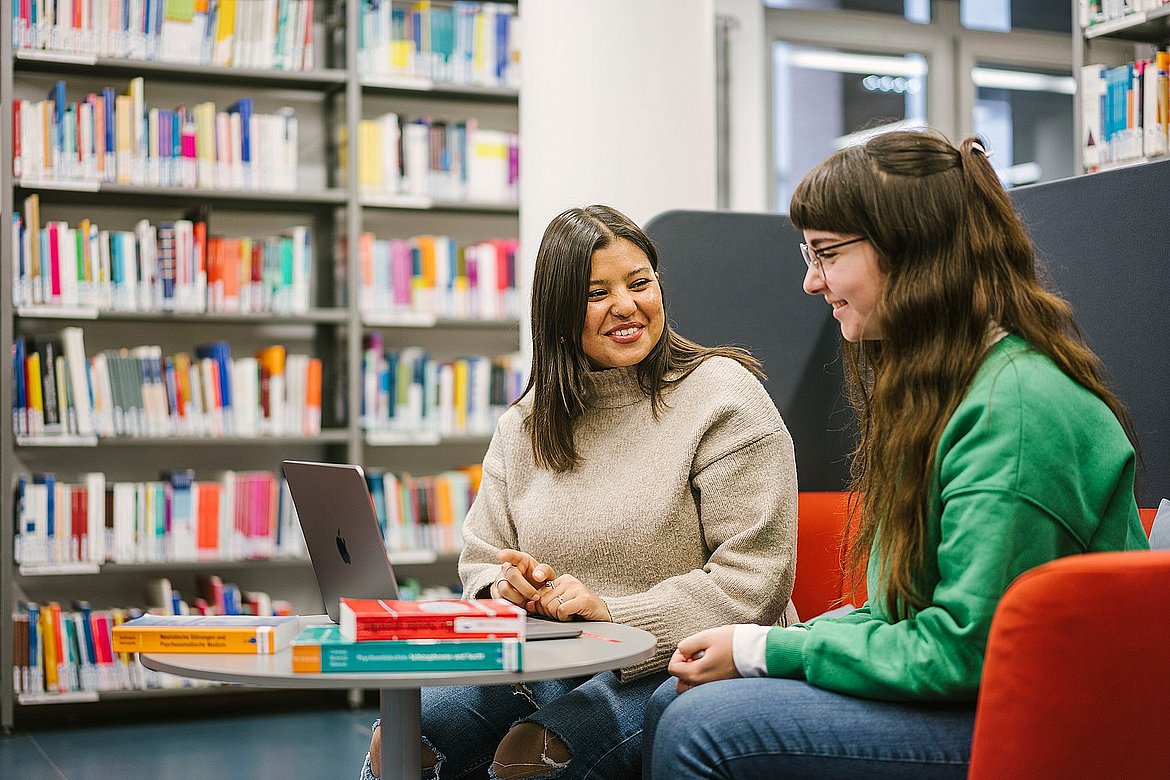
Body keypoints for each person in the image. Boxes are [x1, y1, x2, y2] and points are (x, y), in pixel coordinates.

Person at [642, 129, 1149, 779]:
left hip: (1041, 725)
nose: (810, 281)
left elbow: (962, 651)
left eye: (826, 254)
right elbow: (901, 613)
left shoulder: (1015, 407)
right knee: (672, 699)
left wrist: (768, 649)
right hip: (978, 700)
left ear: (909, 252)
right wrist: (785, 643)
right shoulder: (950, 385)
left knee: (701, 729)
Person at [360, 204, 799, 780]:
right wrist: (507, 589)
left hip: (679, 664)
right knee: (404, 743)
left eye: (640, 283)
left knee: (534, 757)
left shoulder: (723, 397)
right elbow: (480, 563)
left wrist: (612, 613)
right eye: (598, 293)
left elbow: (754, 583)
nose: (626, 305)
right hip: (548, 662)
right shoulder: (527, 423)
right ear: (560, 311)